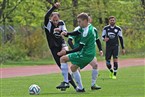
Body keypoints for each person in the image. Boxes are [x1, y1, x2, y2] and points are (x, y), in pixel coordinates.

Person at [56, 13, 97, 92]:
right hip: (89, 54)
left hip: (85, 54)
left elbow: (79, 48)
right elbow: (77, 32)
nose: (78, 23)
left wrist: (66, 52)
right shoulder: (87, 26)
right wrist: (66, 33)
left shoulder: (87, 32)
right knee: (73, 68)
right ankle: (81, 88)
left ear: (85, 21)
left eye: (79, 22)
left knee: (63, 59)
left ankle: (66, 82)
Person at [44, 2, 76, 89]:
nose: (55, 22)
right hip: (54, 48)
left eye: (56, 20)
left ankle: (70, 80)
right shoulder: (48, 24)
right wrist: (53, 7)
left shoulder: (61, 23)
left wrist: (62, 32)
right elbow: (46, 16)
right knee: (62, 66)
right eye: (53, 20)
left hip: (62, 45)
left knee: (66, 61)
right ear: (51, 19)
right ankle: (72, 85)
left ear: (59, 19)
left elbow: (65, 34)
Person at [67, 14, 103, 90]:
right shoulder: (77, 29)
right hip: (78, 51)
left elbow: (97, 40)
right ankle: (78, 86)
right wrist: (74, 49)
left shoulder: (93, 29)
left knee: (95, 65)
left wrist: (100, 49)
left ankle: (93, 85)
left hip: (87, 52)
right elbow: (70, 39)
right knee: (75, 68)